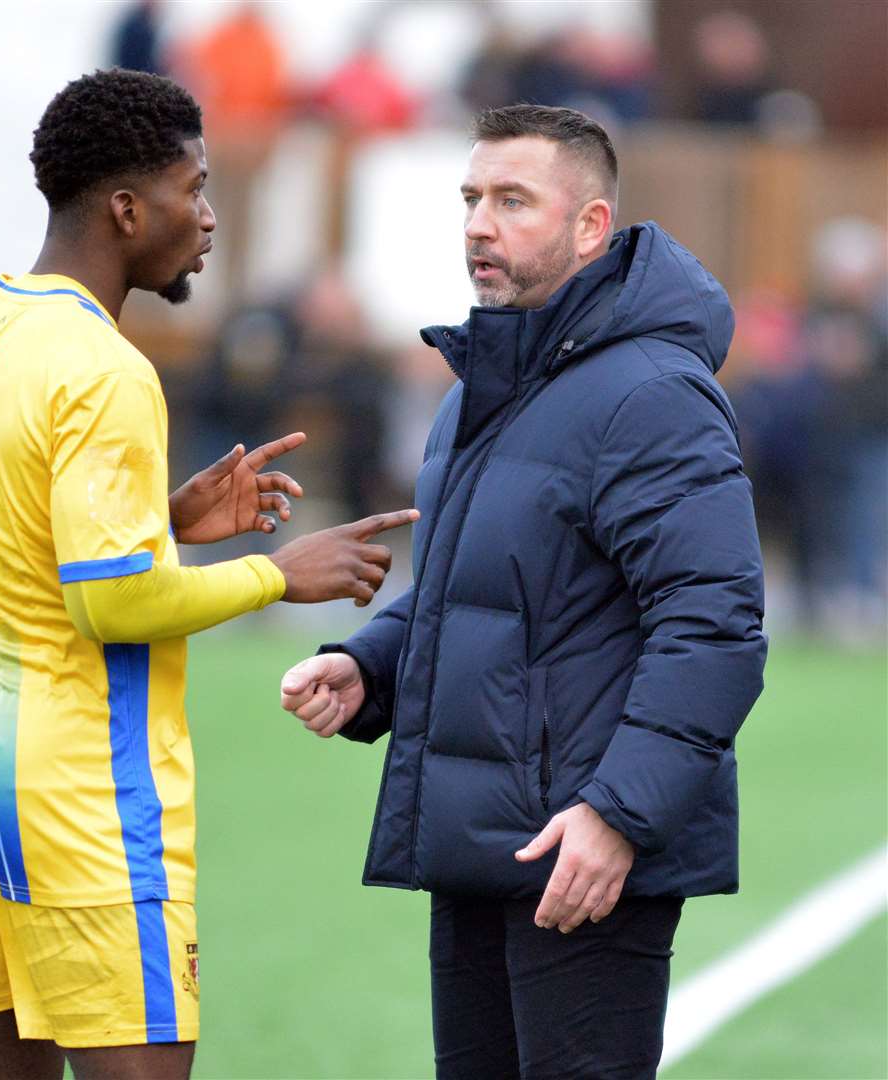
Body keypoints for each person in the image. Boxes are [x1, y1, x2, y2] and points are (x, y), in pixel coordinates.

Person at [0, 69, 415, 1080]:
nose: (207, 219)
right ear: (127, 209)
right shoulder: (102, 366)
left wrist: (155, 523)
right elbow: (111, 602)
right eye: (193, 189)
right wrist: (274, 576)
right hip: (65, 795)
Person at [281, 104, 766, 1079]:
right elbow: (475, 588)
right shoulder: (481, 385)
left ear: (590, 227)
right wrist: (365, 664)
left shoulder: (650, 394)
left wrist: (617, 813)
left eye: (511, 200)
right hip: (477, 842)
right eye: (469, 199)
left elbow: (713, 624)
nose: (476, 225)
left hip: (583, 858)